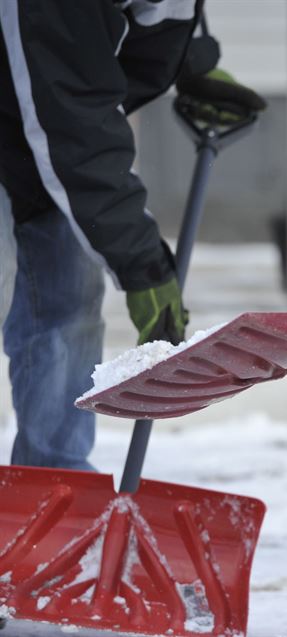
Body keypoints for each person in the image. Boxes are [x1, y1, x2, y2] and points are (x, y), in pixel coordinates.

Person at [0, 1, 208, 470]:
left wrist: (192, 57)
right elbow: (69, 114)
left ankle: (54, 482)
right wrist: (144, 267)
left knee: (68, 299)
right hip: (46, 116)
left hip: (41, 117)